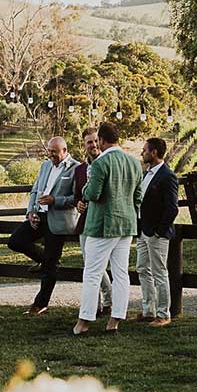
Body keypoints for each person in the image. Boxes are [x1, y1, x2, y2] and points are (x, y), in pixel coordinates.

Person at [73, 122, 143, 335]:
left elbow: (92, 194)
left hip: (102, 225)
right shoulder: (134, 163)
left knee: (92, 274)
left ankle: (84, 322)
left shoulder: (101, 163)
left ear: (102, 140)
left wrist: (85, 189)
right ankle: (115, 320)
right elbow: (138, 196)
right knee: (121, 274)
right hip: (127, 224)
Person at [7, 136, 80, 316]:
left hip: (58, 220)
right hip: (39, 216)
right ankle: (43, 259)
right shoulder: (45, 165)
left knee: (50, 266)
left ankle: (40, 304)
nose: (51, 155)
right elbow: (35, 189)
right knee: (15, 241)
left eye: (54, 152)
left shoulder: (76, 168)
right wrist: (30, 211)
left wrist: (55, 200)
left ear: (64, 150)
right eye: (49, 151)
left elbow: (76, 198)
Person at [136, 137, 180, 327]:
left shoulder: (167, 176)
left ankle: (163, 314)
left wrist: (158, 232)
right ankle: (148, 311)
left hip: (156, 234)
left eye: (145, 150)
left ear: (154, 152)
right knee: (142, 269)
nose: (142, 153)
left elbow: (172, 208)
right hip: (143, 231)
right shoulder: (146, 173)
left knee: (160, 272)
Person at [74, 127, 113, 316]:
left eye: (96, 140)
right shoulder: (80, 170)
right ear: (84, 145)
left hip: (104, 220)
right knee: (89, 264)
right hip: (85, 223)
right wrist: (78, 204)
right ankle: (95, 305)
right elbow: (76, 195)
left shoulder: (108, 164)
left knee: (98, 264)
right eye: (90, 142)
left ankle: (109, 299)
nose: (94, 145)